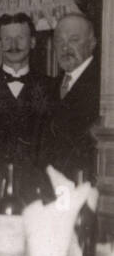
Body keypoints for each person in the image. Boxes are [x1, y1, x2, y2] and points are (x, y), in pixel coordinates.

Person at [37, 12, 99, 180]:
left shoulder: (104, 86)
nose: (65, 48)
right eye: (59, 41)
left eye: (74, 40)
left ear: (92, 43)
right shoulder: (50, 87)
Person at [0, 12, 52, 167]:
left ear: (33, 42)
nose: (13, 45)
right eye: (7, 39)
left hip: (37, 176)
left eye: (20, 38)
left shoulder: (51, 86)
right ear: (0, 45)